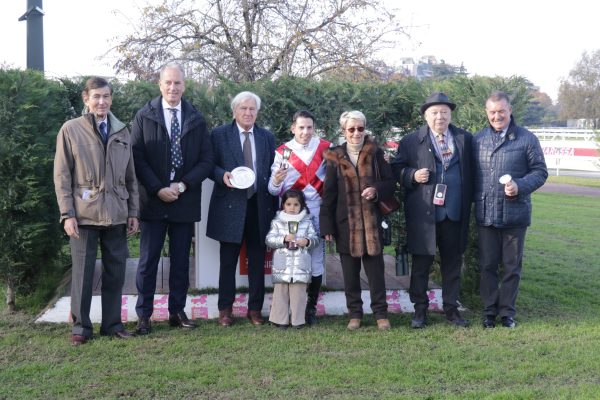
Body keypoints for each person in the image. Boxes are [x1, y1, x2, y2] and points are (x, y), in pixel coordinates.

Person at [54, 77, 139, 345]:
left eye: (106, 96)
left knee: (116, 271)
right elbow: (62, 175)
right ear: (86, 99)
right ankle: (81, 327)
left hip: (116, 213)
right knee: (83, 273)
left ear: (111, 99)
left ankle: (113, 324)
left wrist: (133, 212)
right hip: (84, 215)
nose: (101, 102)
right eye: (96, 97)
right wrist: (67, 214)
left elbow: (131, 177)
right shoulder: (71, 130)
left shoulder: (122, 131)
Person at [131, 62, 214, 335]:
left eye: (178, 83)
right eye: (168, 82)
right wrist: (157, 188)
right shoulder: (144, 116)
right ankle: (144, 316)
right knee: (148, 262)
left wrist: (182, 185)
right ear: (160, 85)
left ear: (184, 86)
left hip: (184, 200)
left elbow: (206, 160)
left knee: (180, 262)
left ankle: (177, 312)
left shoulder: (196, 118)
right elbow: (137, 157)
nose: (173, 87)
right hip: (154, 201)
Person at [391, 92, 473, 329]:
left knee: (452, 264)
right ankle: (420, 309)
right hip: (424, 215)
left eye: (444, 112)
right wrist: (411, 175)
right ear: (426, 116)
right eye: (435, 112)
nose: (440, 117)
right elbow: (397, 170)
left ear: (450, 115)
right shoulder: (410, 141)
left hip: (455, 212)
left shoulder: (464, 139)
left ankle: (451, 308)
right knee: (421, 265)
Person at [473, 91, 547, 329]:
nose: (497, 116)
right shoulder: (477, 140)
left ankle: (507, 314)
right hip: (486, 214)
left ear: (510, 111)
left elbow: (540, 172)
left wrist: (520, 185)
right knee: (487, 266)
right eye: (492, 112)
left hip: (515, 215)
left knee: (512, 267)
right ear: (486, 113)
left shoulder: (527, 138)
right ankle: (488, 313)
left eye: (501, 111)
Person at [207, 91, 278, 327]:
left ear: (257, 112)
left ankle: (255, 309)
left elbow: (271, 168)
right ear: (234, 111)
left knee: (258, 260)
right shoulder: (218, 135)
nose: (248, 113)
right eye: (243, 109)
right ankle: (225, 310)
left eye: (252, 109)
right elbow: (208, 165)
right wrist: (221, 175)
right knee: (228, 262)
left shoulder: (267, 137)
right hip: (229, 206)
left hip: (259, 206)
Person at [320, 110, 393, 331]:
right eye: (351, 129)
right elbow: (329, 194)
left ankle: (381, 314)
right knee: (350, 275)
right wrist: (327, 225)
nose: (356, 133)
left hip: (372, 223)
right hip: (346, 225)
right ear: (344, 131)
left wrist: (376, 190)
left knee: (376, 274)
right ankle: (355, 314)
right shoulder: (334, 156)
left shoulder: (376, 153)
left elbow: (390, 183)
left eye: (360, 128)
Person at [268, 110, 330, 325]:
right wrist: (276, 181)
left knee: (315, 262)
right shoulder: (282, 152)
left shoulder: (325, 148)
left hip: (317, 213)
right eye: (301, 127)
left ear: (314, 128)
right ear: (293, 128)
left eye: (309, 127)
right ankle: (287, 311)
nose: (305, 132)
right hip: (291, 217)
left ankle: (309, 308)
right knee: (291, 263)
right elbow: (273, 190)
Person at [266, 189, 320, 329]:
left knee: (299, 295)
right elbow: (269, 240)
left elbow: (315, 240)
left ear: (301, 205)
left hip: (300, 267)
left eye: (296, 204)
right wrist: (283, 239)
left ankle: (298, 320)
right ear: (283, 205)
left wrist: (307, 241)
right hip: (282, 266)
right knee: (280, 293)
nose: (292, 207)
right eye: (288, 204)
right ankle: (280, 320)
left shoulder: (307, 222)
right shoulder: (277, 222)